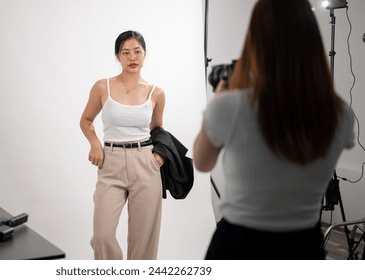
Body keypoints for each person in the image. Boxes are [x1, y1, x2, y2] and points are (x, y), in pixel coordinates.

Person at [193, 0, 355, 260]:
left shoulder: (230, 106)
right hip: (304, 245)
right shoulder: (340, 113)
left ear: (256, 38)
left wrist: (221, 97)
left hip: (239, 245)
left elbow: (201, 162)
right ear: (311, 39)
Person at [80, 30, 166, 260]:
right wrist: (95, 144)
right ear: (118, 56)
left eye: (137, 51)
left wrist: (160, 156)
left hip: (145, 163)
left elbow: (158, 130)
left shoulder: (156, 92)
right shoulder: (102, 87)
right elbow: (86, 120)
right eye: (125, 52)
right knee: (102, 236)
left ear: (145, 54)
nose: (132, 57)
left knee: (143, 242)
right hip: (111, 163)